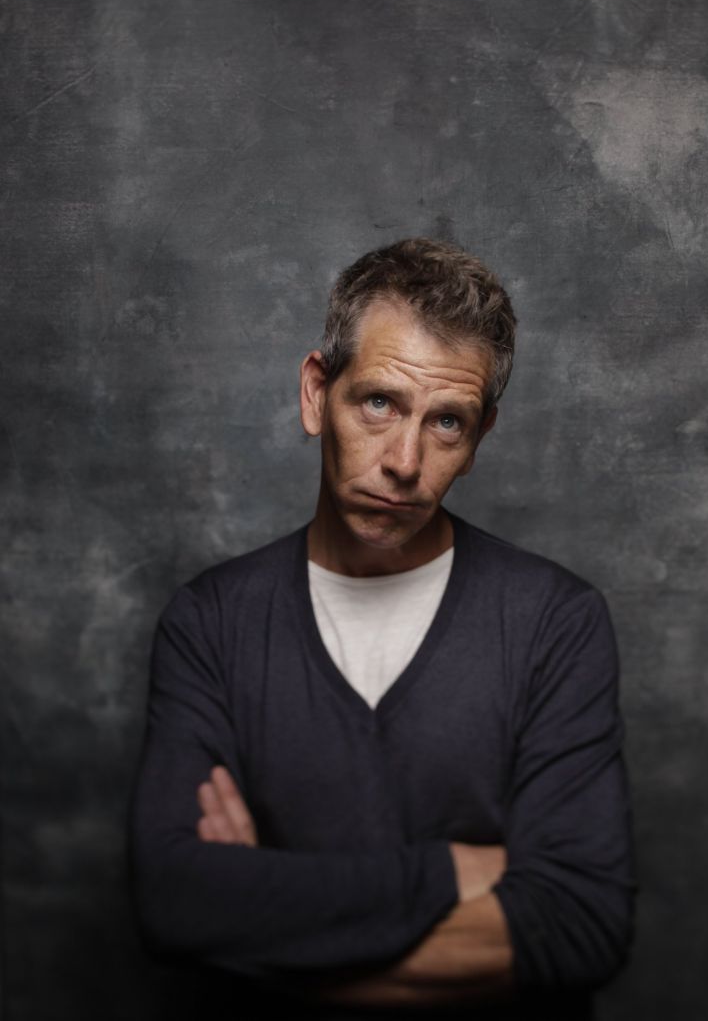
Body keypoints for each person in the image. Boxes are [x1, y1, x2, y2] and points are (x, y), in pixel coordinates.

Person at [128, 238, 636, 1020]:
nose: (404, 460)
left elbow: (579, 928)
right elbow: (173, 900)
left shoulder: (554, 622)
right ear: (315, 394)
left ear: (479, 438)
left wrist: (265, 943)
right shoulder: (212, 622)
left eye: (447, 422)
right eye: (379, 403)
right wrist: (455, 871)